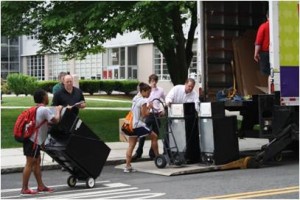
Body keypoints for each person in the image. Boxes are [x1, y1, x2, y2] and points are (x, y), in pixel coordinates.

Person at [21, 89, 63, 195]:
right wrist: (58, 109)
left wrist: (43, 143)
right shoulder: (44, 109)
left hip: (32, 141)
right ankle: (24, 188)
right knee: (30, 164)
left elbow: (42, 126)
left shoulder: (37, 109)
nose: (48, 97)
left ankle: (41, 186)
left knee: (37, 162)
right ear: (43, 98)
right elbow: (56, 120)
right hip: (33, 141)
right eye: (46, 95)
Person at [124, 82, 159, 173]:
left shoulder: (135, 98)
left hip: (131, 124)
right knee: (154, 136)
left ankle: (127, 166)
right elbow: (144, 115)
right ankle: (158, 158)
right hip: (138, 125)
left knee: (131, 145)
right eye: (148, 92)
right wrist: (149, 107)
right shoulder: (143, 101)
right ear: (143, 91)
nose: (149, 94)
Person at [132, 74, 165, 161]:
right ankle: (139, 152)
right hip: (148, 114)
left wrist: (163, 110)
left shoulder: (160, 90)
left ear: (157, 81)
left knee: (155, 135)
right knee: (143, 135)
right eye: (152, 81)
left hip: (156, 114)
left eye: (155, 81)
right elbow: (139, 103)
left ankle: (153, 154)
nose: (153, 83)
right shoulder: (145, 90)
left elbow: (164, 101)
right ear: (149, 81)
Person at [254, 11, 270, 76]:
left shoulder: (263, 27)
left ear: (267, 16)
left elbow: (258, 42)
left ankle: (270, 86)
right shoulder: (279, 26)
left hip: (265, 54)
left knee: (270, 74)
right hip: (278, 53)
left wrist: (256, 53)